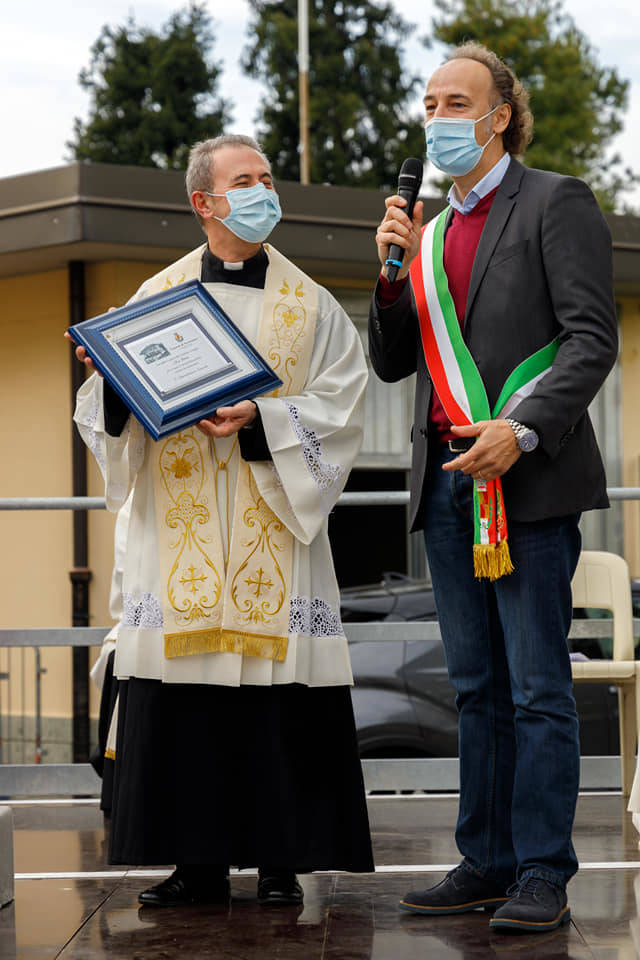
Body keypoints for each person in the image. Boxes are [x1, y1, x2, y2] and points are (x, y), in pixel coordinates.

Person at [72, 133, 374, 907]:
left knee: (277, 699)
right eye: (244, 180)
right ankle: (193, 864)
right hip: (181, 540)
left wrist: (261, 420)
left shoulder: (310, 308)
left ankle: (281, 860)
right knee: (187, 702)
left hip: (275, 532)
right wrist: (109, 383)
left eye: (267, 178)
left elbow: (342, 410)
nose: (262, 190)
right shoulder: (155, 301)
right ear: (204, 203)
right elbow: (112, 421)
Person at [369, 43, 617, 933]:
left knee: (538, 687)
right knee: (474, 687)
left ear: (501, 114)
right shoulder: (425, 235)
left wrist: (522, 427)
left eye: (457, 101)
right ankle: (486, 859)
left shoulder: (556, 201)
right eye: (429, 102)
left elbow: (593, 339)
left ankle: (544, 868)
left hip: (530, 479)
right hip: (444, 486)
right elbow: (393, 363)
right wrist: (391, 277)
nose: (438, 116)